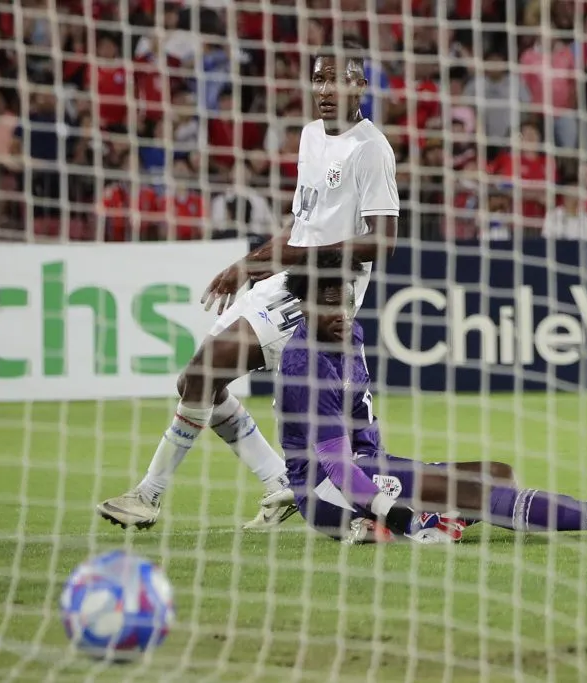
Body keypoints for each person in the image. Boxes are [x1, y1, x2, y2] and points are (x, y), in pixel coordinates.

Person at [96, 40, 399, 531]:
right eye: (318, 79)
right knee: (193, 384)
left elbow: (382, 243)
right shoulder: (309, 136)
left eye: (338, 79)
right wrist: (250, 261)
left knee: (204, 372)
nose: (325, 90)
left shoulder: (371, 149)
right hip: (286, 277)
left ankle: (148, 496)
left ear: (360, 85)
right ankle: (278, 479)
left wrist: (288, 260)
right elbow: (300, 225)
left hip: (322, 293)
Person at [278, 254, 587, 542]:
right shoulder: (305, 364)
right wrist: (393, 511)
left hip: (367, 462)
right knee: (473, 493)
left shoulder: (351, 333)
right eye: (328, 307)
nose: (341, 313)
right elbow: (337, 466)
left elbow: (359, 418)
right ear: (305, 308)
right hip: (328, 487)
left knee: (500, 474)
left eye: (346, 301)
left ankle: (422, 525)